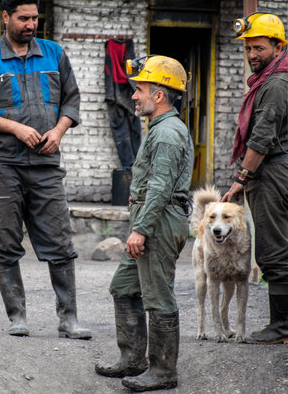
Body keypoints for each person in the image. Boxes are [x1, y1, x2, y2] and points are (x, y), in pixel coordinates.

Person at [0, 0, 90, 340]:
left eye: (35, 17)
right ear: (5, 17)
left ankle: (69, 319)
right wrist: (17, 128)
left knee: (61, 244)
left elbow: (72, 99)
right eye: (23, 18)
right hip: (3, 166)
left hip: (46, 166)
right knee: (4, 243)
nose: (31, 24)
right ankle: (17, 316)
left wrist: (60, 130)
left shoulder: (54, 54)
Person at [95, 55, 193, 392]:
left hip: (159, 223)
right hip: (152, 220)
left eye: (140, 89)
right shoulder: (160, 129)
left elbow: (160, 188)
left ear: (160, 95)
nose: (135, 96)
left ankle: (164, 370)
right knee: (123, 287)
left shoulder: (167, 134)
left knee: (158, 297)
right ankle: (133, 360)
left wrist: (140, 230)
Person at [222, 12, 288, 344]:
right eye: (248, 49)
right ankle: (285, 323)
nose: (252, 56)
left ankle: (285, 324)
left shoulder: (276, 83)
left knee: (273, 249)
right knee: (270, 247)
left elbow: (262, 137)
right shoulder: (267, 79)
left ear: (278, 47)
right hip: (268, 170)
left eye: (259, 48)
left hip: (272, 171)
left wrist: (241, 178)